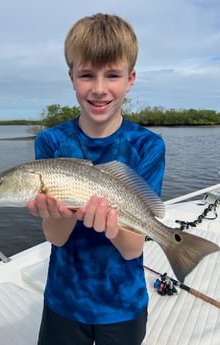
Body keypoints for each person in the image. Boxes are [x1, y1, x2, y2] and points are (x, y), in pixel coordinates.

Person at [27, 13, 165, 345]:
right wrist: (58, 214)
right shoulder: (51, 143)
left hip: (123, 305)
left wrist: (113, 225)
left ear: (130, 79)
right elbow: (56, 239)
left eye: (113, 75)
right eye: (87, 75)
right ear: (72, 77)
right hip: (64, 300)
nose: (99, 89)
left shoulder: (147, 146)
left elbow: (133, 250)